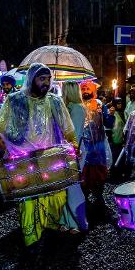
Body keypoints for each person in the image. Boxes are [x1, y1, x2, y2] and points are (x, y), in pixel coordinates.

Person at [0, 63, 78, 248]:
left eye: (48, 79)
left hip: (51, 159)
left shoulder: (55, 101)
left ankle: (51, 231)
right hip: (24, 160)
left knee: (56, 197)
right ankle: (32, 240)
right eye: (41, 78)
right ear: (31, 79)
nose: (46, 82)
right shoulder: (14, 100)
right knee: (29, 200)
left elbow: (68, 128)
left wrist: (73, 144)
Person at [79, 80, 114, 223]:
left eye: (88, 88)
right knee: (83, 179)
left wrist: (110, 114)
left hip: (98, 149)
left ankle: (99, 202)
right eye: (83, 89)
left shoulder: (100, 104)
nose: (85, 91)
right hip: (83, 148)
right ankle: (84, 204)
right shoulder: (77, 106)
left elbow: (109, 123)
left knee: (99, 179)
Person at [59, 81, 88, 233]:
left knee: (73, 187)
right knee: (64, 186)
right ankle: (66, 220)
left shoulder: (76, 109)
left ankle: (77, 221)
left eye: (64, 88)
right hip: (65, 150)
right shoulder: (67, 108)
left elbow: (75, 134)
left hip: (73, 151)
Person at [109, 97, 127, 182]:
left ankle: (119, 175)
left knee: (120, 158)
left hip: (120, 140)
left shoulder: (122, 113)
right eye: (118, 103)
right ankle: (114, 176)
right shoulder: (112, 113)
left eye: (120, 103)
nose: (119, 105)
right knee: (114, 158)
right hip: (114, 140)